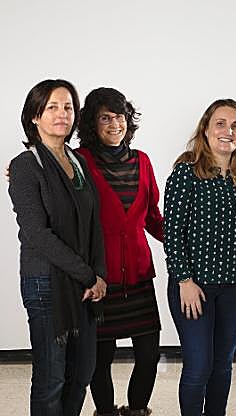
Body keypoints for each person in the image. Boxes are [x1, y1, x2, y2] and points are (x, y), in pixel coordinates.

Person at [164, 99, 236, 416]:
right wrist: (184, 280)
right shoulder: (186, 172)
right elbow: (173, 232)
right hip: (193, 287)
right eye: (220, 123)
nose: (228, 131)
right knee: (199, 366)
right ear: (206, 129)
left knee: (222, 365)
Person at [8, 79, 107, 415]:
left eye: (67, 107)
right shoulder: (25, 166)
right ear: (35, 116)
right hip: (46, 282)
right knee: (52, 378)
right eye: (52, 107)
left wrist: (99, 275)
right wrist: (87, 275)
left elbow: (94, 224)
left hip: (85, 282)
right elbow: (37, 234)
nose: (62, 113)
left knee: (82, 373)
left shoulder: (78, 162)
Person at [75, 87, 164, 416]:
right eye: (105, 118)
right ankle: (106, 412)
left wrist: (187, 244)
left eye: (120, 116)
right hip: (100, 276)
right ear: (92, 124)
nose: (115, 124)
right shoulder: (80, 161)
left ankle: (137, 410)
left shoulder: (142, 161)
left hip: (139, 274)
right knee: (100, 358)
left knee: (149, 354)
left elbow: (152, 217)